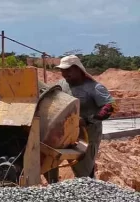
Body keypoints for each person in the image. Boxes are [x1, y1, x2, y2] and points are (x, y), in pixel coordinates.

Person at [46, 55, 115, 183]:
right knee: (48, 165)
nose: (64, 74)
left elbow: (111, 106)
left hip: (86, 137)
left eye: (68, 70)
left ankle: (90, 196)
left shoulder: (94, 88)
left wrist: (87, 120)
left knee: (84, 175)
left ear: (78, 69)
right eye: (62, 71)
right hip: (63, 136)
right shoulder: (61, 84)